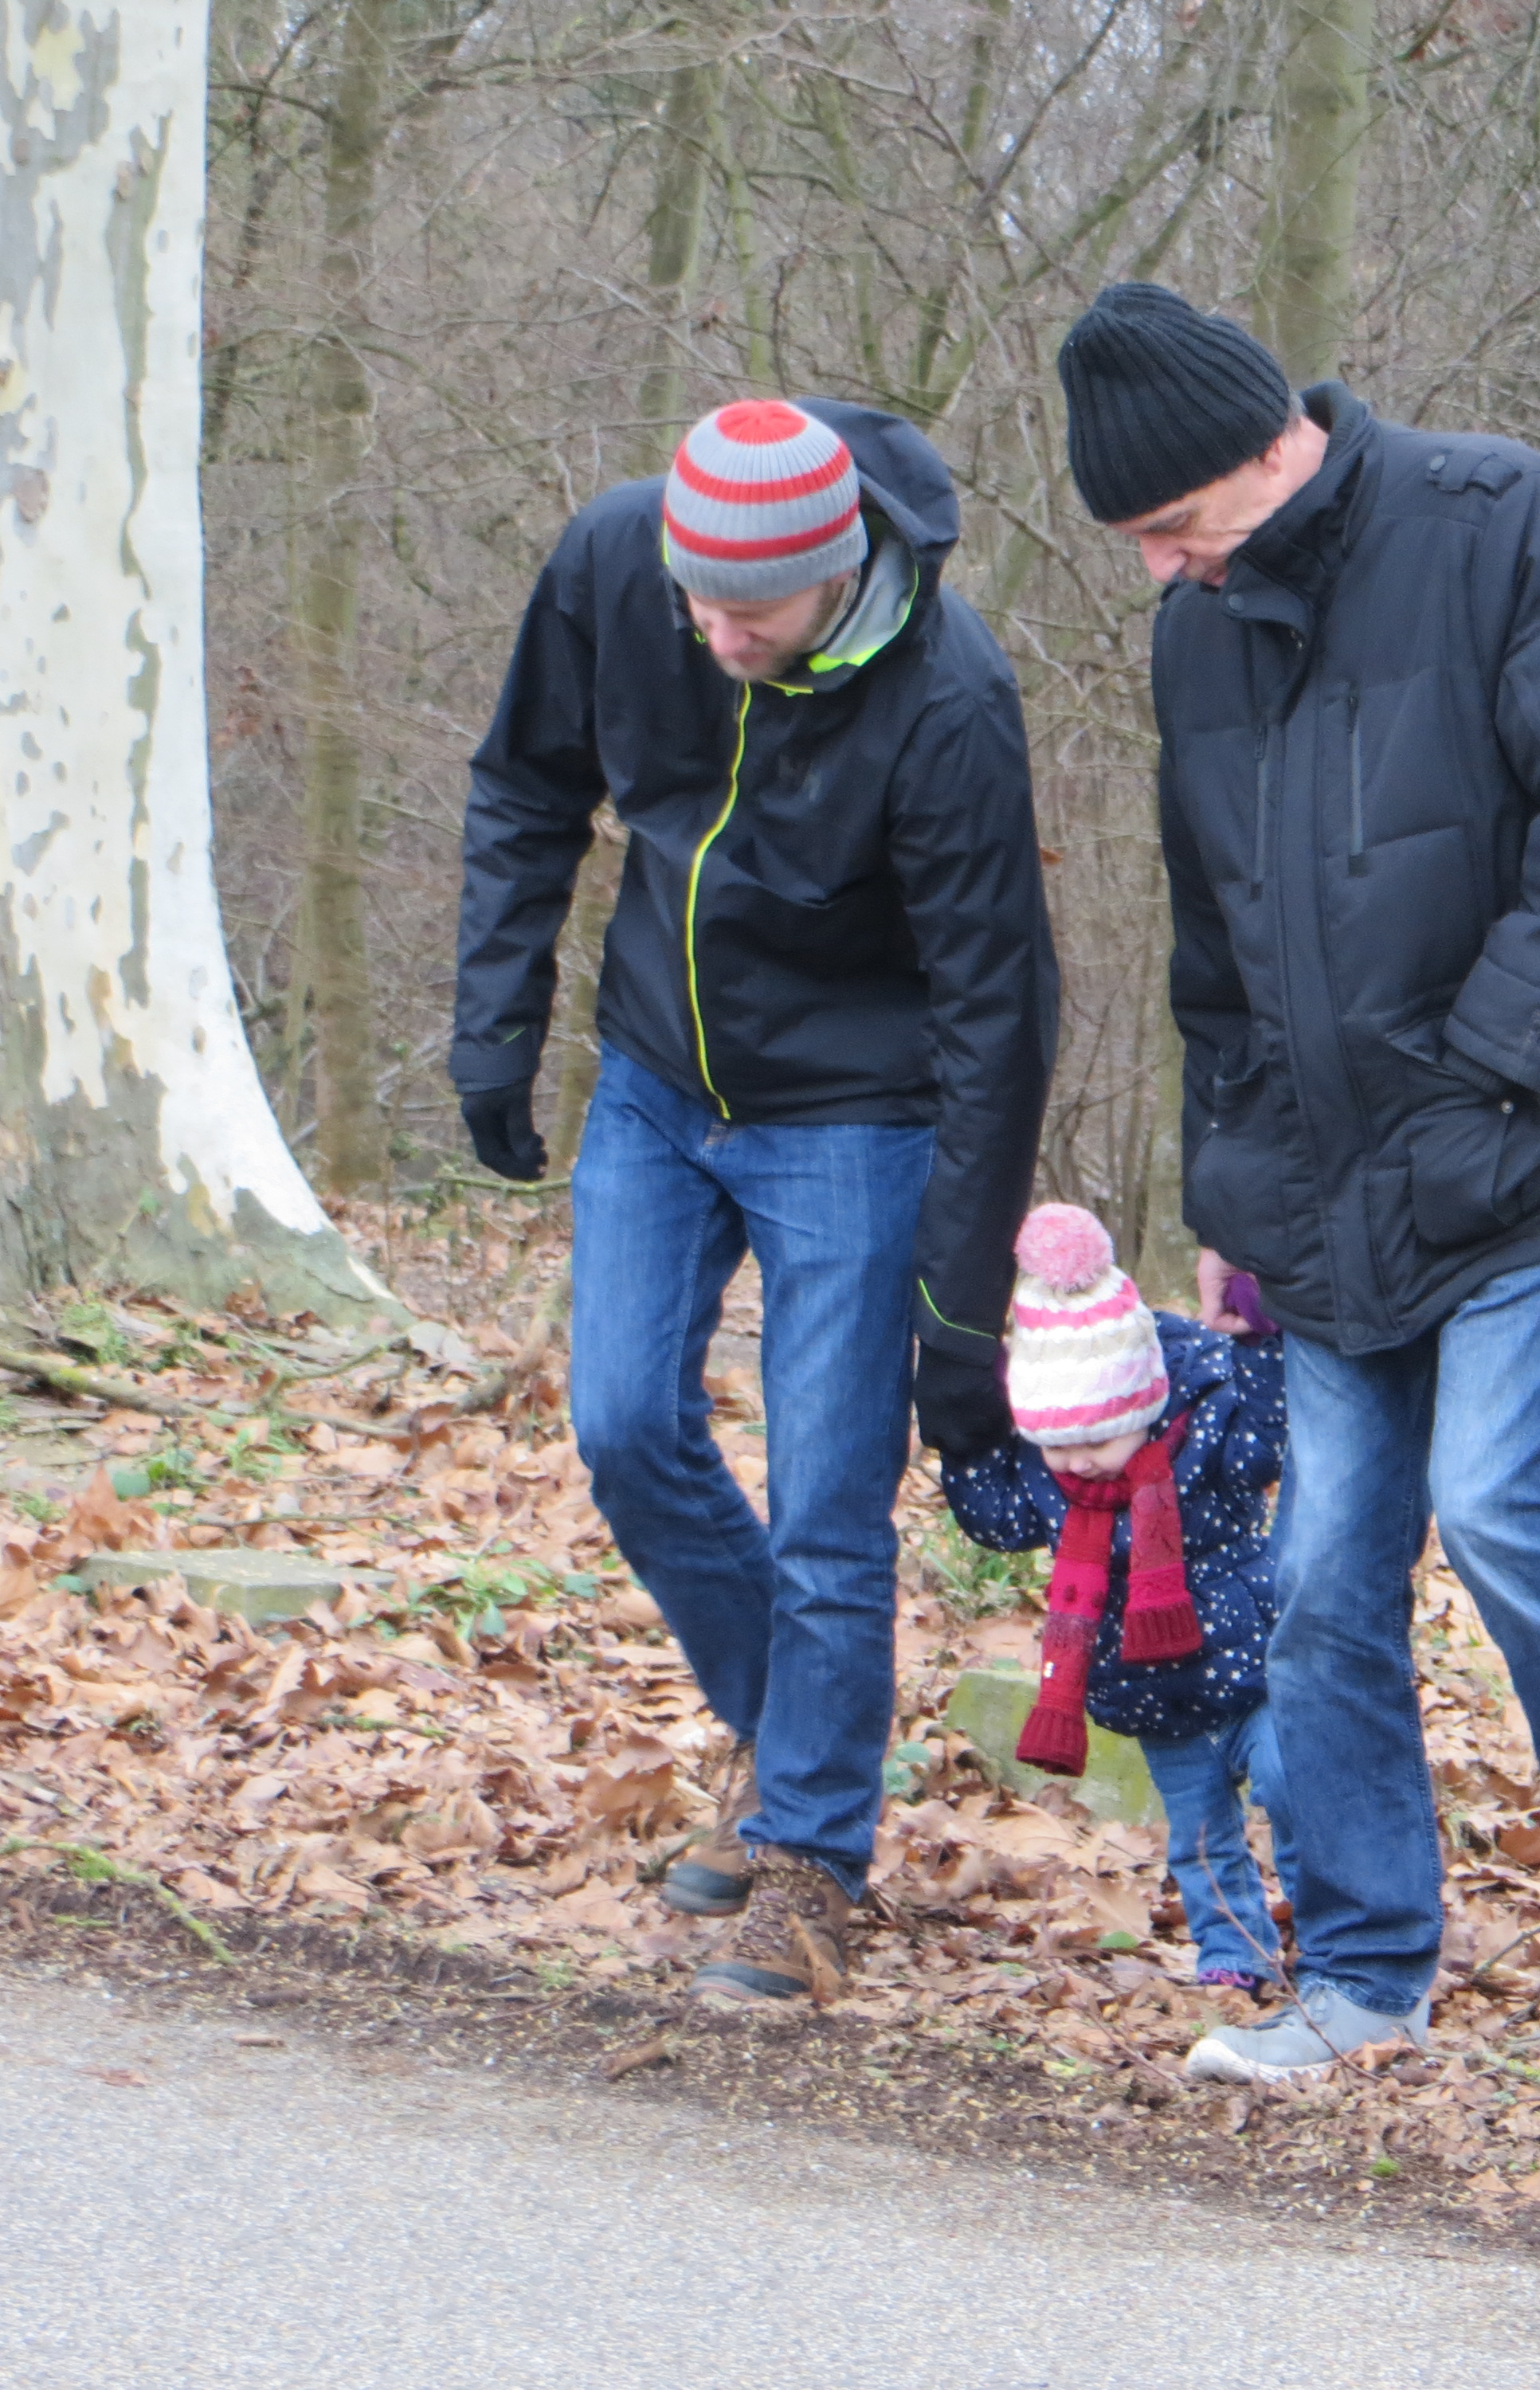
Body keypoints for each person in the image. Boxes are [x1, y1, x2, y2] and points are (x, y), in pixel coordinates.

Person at [1051, 284, 1540, 2084]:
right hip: (1328, 1196)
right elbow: (1213, 944)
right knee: (1314, 1572)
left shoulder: (1494, 523)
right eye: (1135, 539)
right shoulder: (1197, 637)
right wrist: (1228, 1176)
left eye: (1171, 524)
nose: (1158, 567)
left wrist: (1485, 1073)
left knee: (1500, 1499)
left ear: (1265, 452)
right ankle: (1366, 1976)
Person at [451, 398, 1056, 2006]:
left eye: (753, 613)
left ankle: (809, 1865)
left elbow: (997, 1014)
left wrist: (962, 1311)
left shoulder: (948, 699)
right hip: (657, 1075)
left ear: (836, 567)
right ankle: (792, 1740)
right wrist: (497, 1018)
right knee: (622, 1423)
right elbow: (526, 784)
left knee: (830, 1502)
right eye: (696, 601)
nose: (716, 636)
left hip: (854, 1114)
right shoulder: (614, 558)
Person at [939, 1205, 1291, 1990]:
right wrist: (961, 1426)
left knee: (1293, 1785)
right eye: (1057, 1443)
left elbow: (1268, 1442)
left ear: (1142, 1401)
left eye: (1097, 1437)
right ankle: (1234, 1952)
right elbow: (993, 1518)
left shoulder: (1204, 1429)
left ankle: (1329, 1926)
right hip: (1153, 1695)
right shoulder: (1047, 1475)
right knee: (1199, 1838)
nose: (1079, 1462)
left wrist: (1262, 1343)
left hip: (1254, 1669)